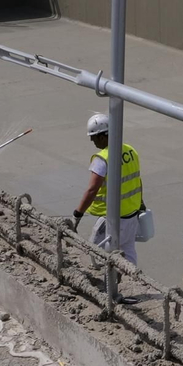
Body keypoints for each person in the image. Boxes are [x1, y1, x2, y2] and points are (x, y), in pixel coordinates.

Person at [71, 113, 144, 265]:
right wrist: (141, 205)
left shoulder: (102, 158)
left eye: (94, 137)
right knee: (128, 251)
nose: (92, 140)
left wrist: (77, 214)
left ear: (103, 136)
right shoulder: (130, 150)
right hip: (132, 214)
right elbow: (137, 181)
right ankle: (132, 280)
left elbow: (92, 190)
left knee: (94, 253)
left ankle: (105, 284)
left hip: (112, 218)